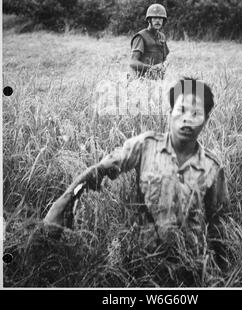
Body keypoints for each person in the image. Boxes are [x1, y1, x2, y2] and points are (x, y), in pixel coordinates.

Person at [43, 78, 230, 264]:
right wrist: (64, 202)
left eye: (196, 112)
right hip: (143, 262)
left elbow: (219, 223)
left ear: (206, 119)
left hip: (189, 262)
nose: (187, 118)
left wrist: (218, 268)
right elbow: (100, 169)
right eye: (181, 110)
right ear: (169, 113)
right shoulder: (145, 146)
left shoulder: (212, 167)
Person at [129, 3, 170, 79]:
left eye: (160, 18)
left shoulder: (162, 37)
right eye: (154, 18)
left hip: (158, 81)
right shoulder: (141, 36)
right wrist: (151, 68)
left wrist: (164, 65)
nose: (158, 21)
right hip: (141, 80)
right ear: (149, 20)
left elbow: (165, 59)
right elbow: (133, 62)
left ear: (163, 21)